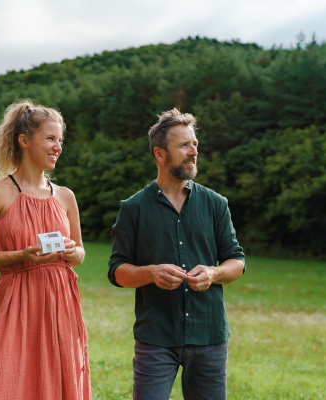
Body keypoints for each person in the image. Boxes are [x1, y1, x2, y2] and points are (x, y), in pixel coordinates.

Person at [108, 108, 245, 400]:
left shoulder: (216, 204)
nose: (193, 152)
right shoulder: (133, 208)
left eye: (194, 144)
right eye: (184, 145)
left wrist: (213, 273)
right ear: (160, 154)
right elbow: (117, 271)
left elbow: (237, 261)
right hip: (156, 336)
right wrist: (150, 272)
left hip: (209, 335)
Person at [0, 99, 90, 400]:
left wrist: (74, 253)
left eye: (60, 140)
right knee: (2, 380)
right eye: (50, 138)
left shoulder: (65, 196)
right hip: (15, 301)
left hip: (59, 301)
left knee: (58, 380)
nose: (57, 147)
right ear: (24, 141)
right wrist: (21, 255)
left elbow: (81, 252)